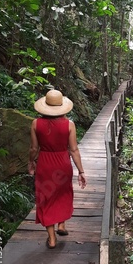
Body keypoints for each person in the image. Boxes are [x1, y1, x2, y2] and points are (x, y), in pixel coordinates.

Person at [28, 89, 87, 249]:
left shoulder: (35, 124)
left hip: (45, 163)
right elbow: (74, 150)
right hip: (63, 163)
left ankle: (52, 238)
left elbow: (34, 148)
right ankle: (61, 224)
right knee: (64, 192)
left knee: (46, 197)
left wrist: (31, 162)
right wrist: (81, 171)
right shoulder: (69, 125)